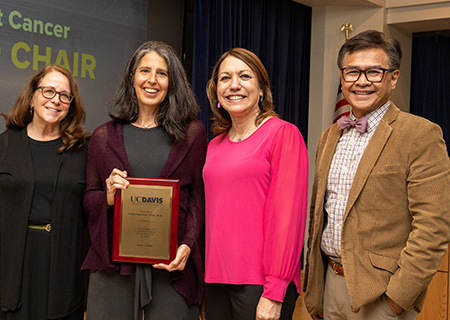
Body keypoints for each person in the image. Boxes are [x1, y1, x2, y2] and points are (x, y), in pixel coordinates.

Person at [303, 29, 450, 320]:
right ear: (342, 76)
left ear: (393, 77)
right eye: (352, 72)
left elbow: (432, 229)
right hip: (329, 285)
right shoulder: (329, 136)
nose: (361, 81)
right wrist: (316, 289)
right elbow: (319, 216)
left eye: (374, 72)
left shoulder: (420, 135)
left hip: (381, 296)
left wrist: (395, 302)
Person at [82, 41, 206, 320]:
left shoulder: (192, 134)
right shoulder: (103, 136)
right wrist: (109, 195)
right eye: (144, 71)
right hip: (114, 266)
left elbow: (198, 198)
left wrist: (187, 244)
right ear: (131, 77)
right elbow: (90, 199)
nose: (152, 80)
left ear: (172, 81)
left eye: (162, 73)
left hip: (172, 266)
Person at [202, 47, 308, 320]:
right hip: (215, 282)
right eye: (225, 78)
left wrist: (274, 292)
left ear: (261, 89)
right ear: (216, 92)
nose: (234, 85)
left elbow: (287, 219)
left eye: (244, 76)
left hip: (260, 286)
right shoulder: (214, 145)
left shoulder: (283, 134)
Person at [0, 65, 90, 319]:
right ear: (31, 97)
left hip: (63, 267)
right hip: (10, 268)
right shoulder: (4, 146)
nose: (56, 100)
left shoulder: (84, 151)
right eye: (48, 91)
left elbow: (92, 210)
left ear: (71, 105)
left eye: (64, 95)